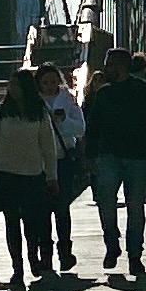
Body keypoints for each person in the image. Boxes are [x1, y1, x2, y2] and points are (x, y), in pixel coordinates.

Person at [83, 48, 146, 274]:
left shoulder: (144, 91)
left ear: (121, 66)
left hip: (136, 157)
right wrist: (90, 155)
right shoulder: (105, 93)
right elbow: (93, 127)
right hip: (112, 156)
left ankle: (134, 254)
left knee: (134, 206)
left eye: (109, 64)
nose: (105, 68)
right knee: (110, 204)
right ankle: (112, 244)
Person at [0, 69, 63, 291]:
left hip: (32, 174)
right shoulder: (0, 111)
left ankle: (33, 257)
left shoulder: (39, 112)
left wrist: (51, 176)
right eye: (11, 85)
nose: (11, 89)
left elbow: (48, 147)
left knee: (32, 222)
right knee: (11, 222)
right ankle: (17, 268)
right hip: (5, 174)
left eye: (15, 85)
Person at [42, 53, 89, 274]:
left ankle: (64, 251)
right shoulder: (34, 102)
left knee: (62, 208)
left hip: (62, 158)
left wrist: (63, 121)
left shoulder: (68, 99)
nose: (50, 86)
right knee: (42, 211)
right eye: (45, 82)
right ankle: (45, 255)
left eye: (53, 81)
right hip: (39, 162)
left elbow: (80, 129)